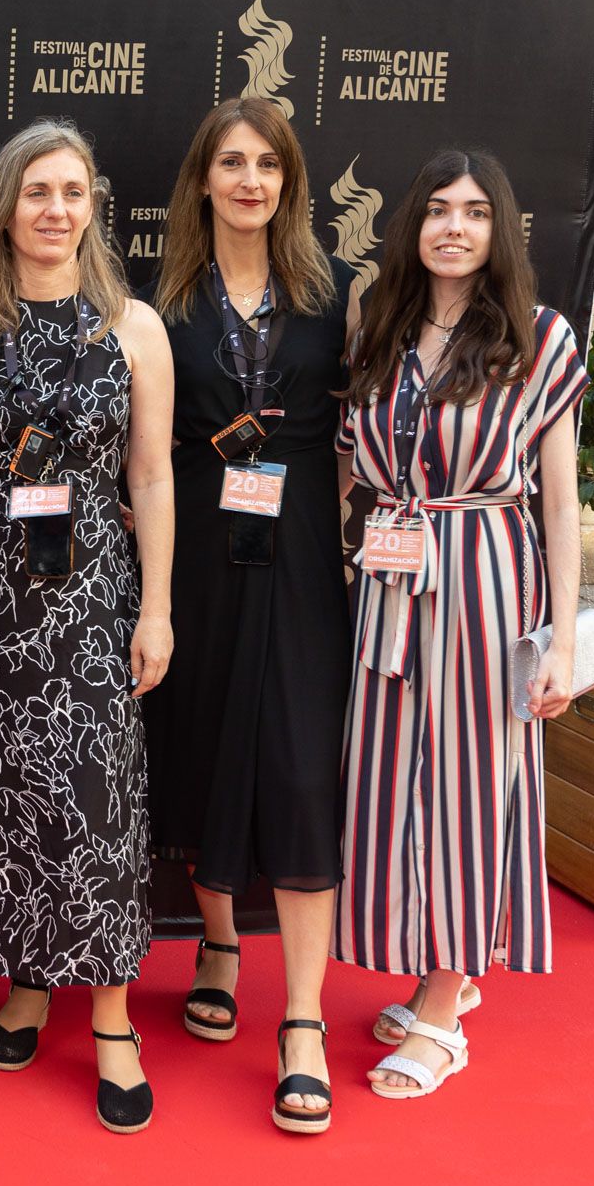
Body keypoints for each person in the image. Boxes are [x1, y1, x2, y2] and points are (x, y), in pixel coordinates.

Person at [0, 118, 175, 1134]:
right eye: (36, 191)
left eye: (72, 191)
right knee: (6, 789)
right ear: (6, 207)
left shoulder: (132, 326)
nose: (55, 209)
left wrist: (155, 607)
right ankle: (26, 980)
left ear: (92, 205)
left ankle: (110, 1017)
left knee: (95, 795)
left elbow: (148, 474)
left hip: (91, 599)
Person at [336, 148, 584, 1100]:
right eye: (438, 209)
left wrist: (562, 636)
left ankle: (445, 1010)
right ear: (414, 224)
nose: (454, 227)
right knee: (399, 785)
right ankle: (442, 962)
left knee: (474, 786)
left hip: (485, 577)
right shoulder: (379, 324)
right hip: (391, 584)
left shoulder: (538, 336)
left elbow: (559, 502)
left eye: (475, 212)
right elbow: (352, 466)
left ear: (499, 229)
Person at [140, 98, 351, 1134]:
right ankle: (218, 940)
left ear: (290, 183)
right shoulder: (163, 302)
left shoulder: (334, 296)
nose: (250, 180)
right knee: (206, 742)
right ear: (204, 180)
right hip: (203, 555)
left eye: (269, 164)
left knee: (305, 767)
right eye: (231, 162)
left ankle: (301, 1018)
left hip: (306, 549)